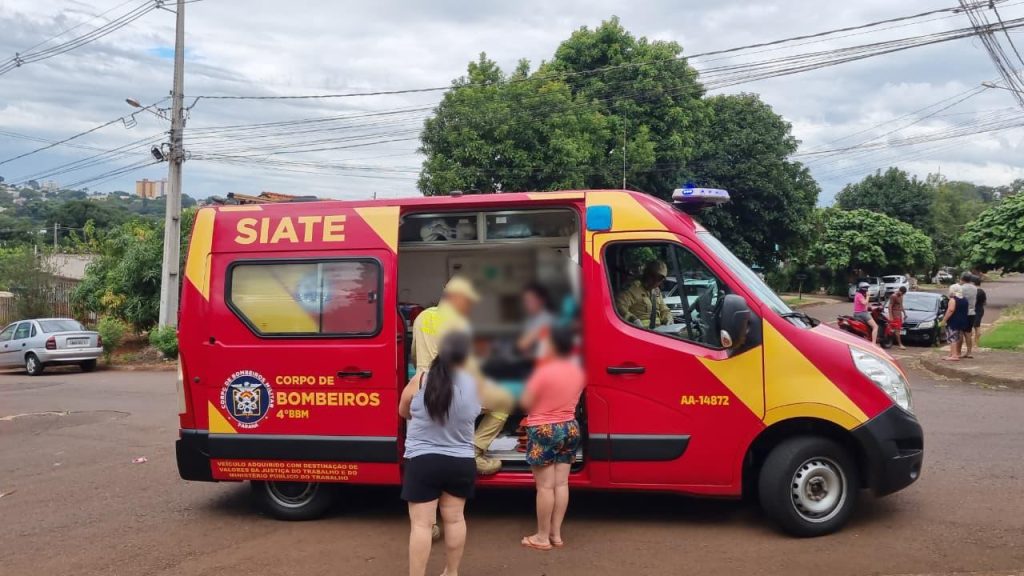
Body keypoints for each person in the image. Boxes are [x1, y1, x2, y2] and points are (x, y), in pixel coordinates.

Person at [411, 276, 514, 475]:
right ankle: (474, 451)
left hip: (422, 389)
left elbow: (415, 355)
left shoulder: (421, 317)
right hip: (451, 391)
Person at [399, 332, 479, 576]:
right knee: (455, 520)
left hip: (423, 461)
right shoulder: (475, 386)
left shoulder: (421, 380)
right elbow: (478, 412)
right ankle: (451, 572)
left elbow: (403, 411)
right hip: (461, 462)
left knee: (422, 526)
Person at [519, 325, 586, 551]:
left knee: (545, 488)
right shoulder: (578, 371)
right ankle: (556, 534)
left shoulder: (542, 372)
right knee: (562, 484)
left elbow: (525, 402)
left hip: (544, 429)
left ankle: (541, 537)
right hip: (570, 428)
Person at [615, 260, 672, 328]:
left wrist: (668, 319)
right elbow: (619, 307)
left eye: (659, 279)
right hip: (637, 331)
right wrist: (633, 320)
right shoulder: (632, 289)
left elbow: (664, 309)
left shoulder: (656, 291)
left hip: (658, 331)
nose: (655, 281)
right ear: (646, 274)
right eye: (653, 276)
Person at [517, 283, 554, 361]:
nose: (526, 304)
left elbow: (523, 344)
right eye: (525, 301)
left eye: (530, 300)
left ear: (541, 301)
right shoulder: (529, 320)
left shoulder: (547, 319)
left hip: (544, 361)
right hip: (531, 359)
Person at [942, 284, 969, 362]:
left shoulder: (953, 300)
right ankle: (953, 353)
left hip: (954, 321)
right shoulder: (964, 299)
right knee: (957, 337)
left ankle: (954, 355)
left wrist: (944, 320)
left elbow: (950, 310)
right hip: (962, 320)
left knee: (952, 338)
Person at [958, 272, 978, 359]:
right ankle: (969, 352)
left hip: (961, 313)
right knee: (968, 333)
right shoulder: (975, 288)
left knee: (960, 333)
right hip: (971, 312)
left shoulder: (960, 288)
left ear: (962, 279)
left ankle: (958, 352)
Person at [888, 286, 907, 350]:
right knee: (897, 330)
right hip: (895, 315)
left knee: (897, 330)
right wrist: (891, 316)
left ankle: (892, 342)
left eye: (903, 294)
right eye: (901, 293)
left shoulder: (901, 296)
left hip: (899, 315)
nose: (901, 294)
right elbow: (890, 306)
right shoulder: (893, 296)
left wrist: (904, 313)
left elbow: (901, 305)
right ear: (899, 290)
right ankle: (900, 344)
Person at [973, 276, 987, 349]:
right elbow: (984, 302)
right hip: (980, 309)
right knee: (977, 326)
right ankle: (976, 343)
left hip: (975, 310)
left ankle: (976, 343)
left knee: (976, 327)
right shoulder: (982, 291)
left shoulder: (975, 292)